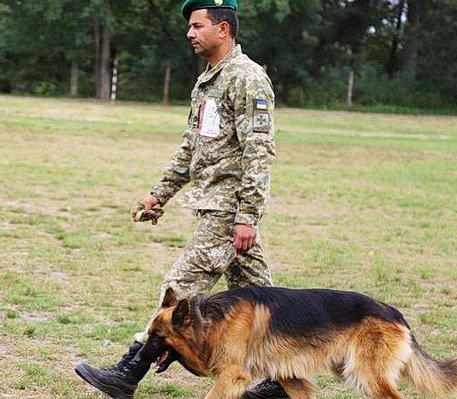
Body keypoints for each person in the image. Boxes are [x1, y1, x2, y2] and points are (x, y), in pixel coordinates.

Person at [75, 1, 289, 398]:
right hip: (211, 203)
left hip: (228, 210)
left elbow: (259, 151)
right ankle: (280, 383)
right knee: (263, 298)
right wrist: (160, 193)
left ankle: (129, 370)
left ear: (223, 28)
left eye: (196, 26)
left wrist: (247, 216)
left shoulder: (247, 79)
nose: (189, 34)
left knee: (180, 287)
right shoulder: (207, 81)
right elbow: (192, 147)